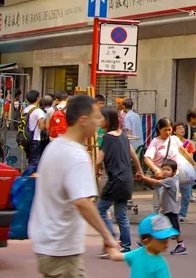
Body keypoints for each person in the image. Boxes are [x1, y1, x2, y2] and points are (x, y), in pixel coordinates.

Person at [30, 94, 119, 277]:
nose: (100, 121)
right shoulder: (76, 156)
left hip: (48, 243)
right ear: (83, 120)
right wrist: (107, 235)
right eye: (97, 116)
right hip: (61, 248)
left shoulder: (54, 147)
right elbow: (82, 202)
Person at [97, 107, 141, 257]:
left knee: (101, 210)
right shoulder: (122, 135)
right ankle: (126, 245)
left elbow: (98, 160)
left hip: (115, 180)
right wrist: (139, 170)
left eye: (101, 118)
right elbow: (134, 155)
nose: (99, 121)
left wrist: (96, 171)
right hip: (127, 179)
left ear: (108, 120)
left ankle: (111, 241)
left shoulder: (108, 137)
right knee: (121, 215)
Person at [138, 159, 187, 255]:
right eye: (163, 169)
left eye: (168, 169)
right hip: (165, 210)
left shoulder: (170, 180)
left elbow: (156, 182)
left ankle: (181, 245)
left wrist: (144, 177)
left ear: (174, 172)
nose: (165, 171)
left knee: (175, 229)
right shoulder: (167, 180)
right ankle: (147, 242)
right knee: (156, 225)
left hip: (170, 210)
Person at [143, 119, 190, 219]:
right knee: (159, 201)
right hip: (161, 176)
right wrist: (157, 170)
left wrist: (193, 164)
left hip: (174, 176)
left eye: (169, 130)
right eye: (165, 130)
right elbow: (147, 158)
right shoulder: (155, 142)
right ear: (159, 129)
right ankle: (157, 222)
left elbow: (184, 151)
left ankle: (171, 221)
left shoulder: (174, 139)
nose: (167, 132)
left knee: (173, 200)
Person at [105, 214, 178, 278]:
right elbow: (115, 257)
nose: (167, 243)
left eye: (167, 238)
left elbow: (115, 256)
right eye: (162, 240)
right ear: (146, 241)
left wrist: (110, 246)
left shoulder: (136, 254)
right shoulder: (160, 264)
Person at [168, 121, 196, 219]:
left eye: (183, 128)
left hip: (186, 170)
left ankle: (182, 214)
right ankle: (174, 213)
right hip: (175, 170)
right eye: (179, 128)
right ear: (174, 131)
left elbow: (190, 155)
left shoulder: (188, 143)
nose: (182, 129)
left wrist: (193, 165)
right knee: (174, 194)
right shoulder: (172, 141)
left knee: (186, 195)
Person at [23, 91, 47, 168]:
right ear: (37, 98)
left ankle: (29, 177)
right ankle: (24, 177)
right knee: (34, 163)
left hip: (26, 138)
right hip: (35, 138)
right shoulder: (38, 111)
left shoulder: (25, 110)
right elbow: (42, 126)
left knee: (30, 161)